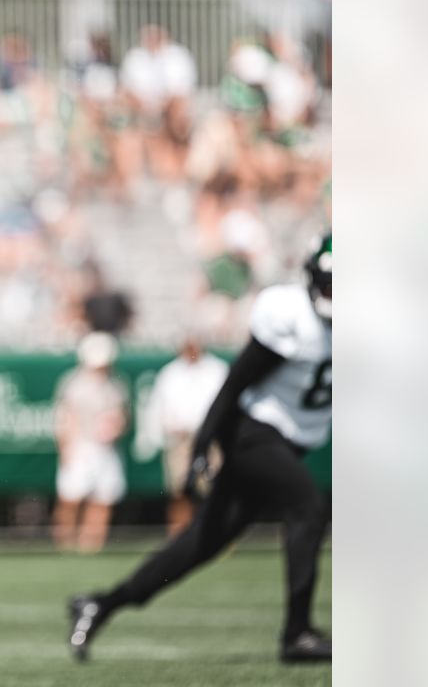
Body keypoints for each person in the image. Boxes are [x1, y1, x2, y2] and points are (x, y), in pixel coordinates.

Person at [68, 234, 333, 664]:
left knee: (199, 546)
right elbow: (235, 386)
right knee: (308, 506)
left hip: (289, 442)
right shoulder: (290, 314)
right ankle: (297, 633)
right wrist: (202, 446)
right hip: (255, 435)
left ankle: (101, 604)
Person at [140, 335, 229, 535]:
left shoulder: (217, 369)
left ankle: (214, 535)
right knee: (179, 490)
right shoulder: (170, 372)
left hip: (211, 438)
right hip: (180, 440)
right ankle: (179, 535)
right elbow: (159, 408)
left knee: (212, 488)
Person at [51, 332, 128, 553]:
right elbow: (65, 418)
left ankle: (90, 547)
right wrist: (66, 449)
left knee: (103, 499)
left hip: (106, 449)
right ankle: (64, 544)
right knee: (71, 498)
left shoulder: (116, 384)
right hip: (81, 447)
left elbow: (122, 416)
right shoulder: (74, 383)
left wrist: (116, 427)